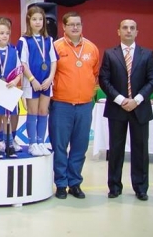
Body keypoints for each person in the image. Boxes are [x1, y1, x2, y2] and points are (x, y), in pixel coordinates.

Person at [99, 19, 153, 201]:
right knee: (115, 150)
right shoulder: (110, 54)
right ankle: (114, 186)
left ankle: (141, 187)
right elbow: (104, 80)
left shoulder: (147, 54)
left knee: (140, 150)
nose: (128, 31)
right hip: (117, 108)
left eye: (132, 28)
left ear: (137, 32)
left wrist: (137, 100)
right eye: (125, 28)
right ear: (118, 31)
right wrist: (121, 99)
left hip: (140, 109)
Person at [50, 12, 100, 199]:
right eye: (71, 24)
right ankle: (61, 184)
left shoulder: (92, 48)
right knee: (60, 146)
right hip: (61, 104)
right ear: (64, 27)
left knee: (80, 146)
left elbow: (94, 73)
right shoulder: (55, 47)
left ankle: (75, 183)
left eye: (78, 24)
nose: (75, 27)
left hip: (84, 106)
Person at [17, 5, 57, 157]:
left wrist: (50, 78)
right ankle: (32, 143)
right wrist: (32, 79)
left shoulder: (49, 40)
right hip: (31, 81)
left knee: (43, 111)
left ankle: (41, 142)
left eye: (40, 19)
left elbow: (53, 61)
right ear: (29, 21)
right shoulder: (24, 40)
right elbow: (23, 63)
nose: (38, 22)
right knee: (32, 111)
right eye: (34, 19)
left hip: (46, 81)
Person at [0, 17, 22, 159]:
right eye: (1, 33)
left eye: (7, 33)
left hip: (9, 87)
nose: (5, 36)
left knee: (8, 117)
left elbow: (19, 70)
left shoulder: (13, 51)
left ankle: (9, 145)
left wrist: (16, 81)